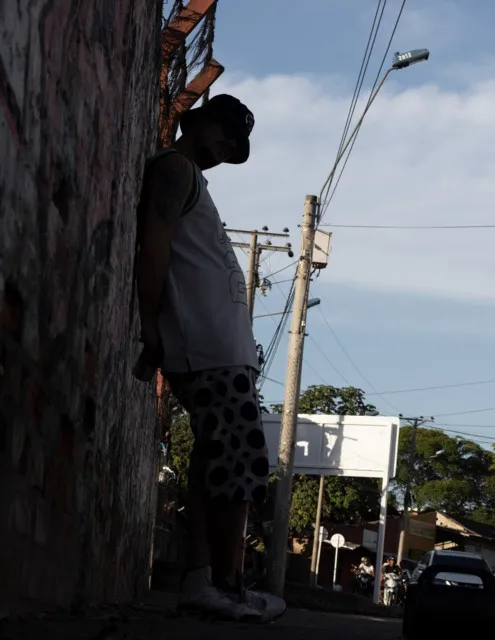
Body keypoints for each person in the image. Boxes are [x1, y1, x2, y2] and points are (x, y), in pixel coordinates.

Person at [135, 94, 285, 623]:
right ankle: (221, 584)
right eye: (224, 130)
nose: (229, 145)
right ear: (196, 121)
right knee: (238, 462)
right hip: (206, 352)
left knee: (222, 463)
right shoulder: (174, 170)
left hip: (223, 354)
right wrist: (148, 324)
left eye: (238, 141)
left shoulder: (194, 181)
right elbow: (154, 245)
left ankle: (211, 582)